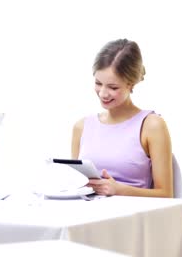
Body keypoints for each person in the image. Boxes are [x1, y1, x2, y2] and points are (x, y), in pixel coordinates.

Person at [71, 39, 173, 198]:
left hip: (131, 218)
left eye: (113, 87)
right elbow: (74, 183)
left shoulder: (151, 125)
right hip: (87, 216)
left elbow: (166, 195)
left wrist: (118, 189)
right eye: (98, 83)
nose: (103, 93)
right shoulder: (81, 126)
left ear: (131, 84)